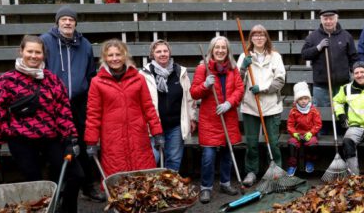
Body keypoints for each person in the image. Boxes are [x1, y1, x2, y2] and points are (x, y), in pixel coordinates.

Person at [0, 35, 83, 213]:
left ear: (43, 54)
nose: (34, 55)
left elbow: (64, 111)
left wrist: (69, 138)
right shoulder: (6, 81)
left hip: (51, 137)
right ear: (21, 51)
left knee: (76, 174)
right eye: (29, 51)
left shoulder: (52, 80)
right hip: (22, 140)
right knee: (34, 183)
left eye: (38, 52)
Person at [40, 6, 104, 202]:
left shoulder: (84, 44)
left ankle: (88, 186)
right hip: (52, 103)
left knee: (84, 144)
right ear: (57, 22)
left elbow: (90, 73)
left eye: (71, 20)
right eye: (64, 19)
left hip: (78, 101)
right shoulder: (45, 41)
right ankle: (54, 190)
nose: (67, 22)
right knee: (55, 146)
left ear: (76, 23)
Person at [84, 39, 164, 178]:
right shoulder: (97, 82)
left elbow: (148, 108)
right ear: (104, 58)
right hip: (112, 139)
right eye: (110, 55)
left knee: (143, 178)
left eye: (118, 54)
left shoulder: (138, 78)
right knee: (118, 180)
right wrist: (91, 142)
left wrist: (157, 133)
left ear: (125, 55)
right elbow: (93, 114)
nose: (115, 58)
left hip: (138, 136)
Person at [190, 36, 244, 204]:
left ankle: (225, 183)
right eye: (217, 48)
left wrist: (229, 103)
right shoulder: (202, 68)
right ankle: (206, 187)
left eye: (223, 48)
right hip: (210, 119)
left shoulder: (233, 69)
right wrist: (205, 84)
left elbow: (239, 89)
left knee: (228, 154)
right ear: (211, 50)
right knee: (208, 156)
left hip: (228, 116)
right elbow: (194, 93)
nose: (220, 50)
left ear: (228, 51)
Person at [239, 24, 286, 187]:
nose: (259, 38)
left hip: (271, 106)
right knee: (251, 143)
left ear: (266, 38)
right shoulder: (244, 56)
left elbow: (280, 80)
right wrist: (243, 68)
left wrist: (264, 89)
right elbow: (238, 82)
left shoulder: (275, 56)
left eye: (262, 35)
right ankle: (251, 172)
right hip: (250, 106)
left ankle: (276, 171)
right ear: (251, 38)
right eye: (255, 35)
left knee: (273, 142)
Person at [141, 39, 198, 172]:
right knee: (151, 159)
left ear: (169, 53)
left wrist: (192, 117)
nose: (162, 54)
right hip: (152, 126)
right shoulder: (144, 74)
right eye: (158, 51)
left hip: (175, 126)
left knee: (173, 160)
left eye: (165, 51)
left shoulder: (180, 72)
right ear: (152, 54)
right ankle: (152, 191)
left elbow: (189, 98)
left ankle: (169, 190)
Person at [301, 8, 358, 108]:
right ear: (321, 20)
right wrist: (318, 47)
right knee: (322, 116)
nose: (328, 22)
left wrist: (355, 73)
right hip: (321, 86)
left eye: (331, 19)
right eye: (325, 19)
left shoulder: (346, 36)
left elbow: (353, 57)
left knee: (343, 114)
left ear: (336, 19)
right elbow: (305, 54)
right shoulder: (313, 36)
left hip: (342, 85)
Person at [286, 81, 322, 176]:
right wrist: (294, 133)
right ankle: (292, 165)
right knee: (292, 144)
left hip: (310, 133)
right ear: (296, 101)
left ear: (309, 99)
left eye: (306, 98)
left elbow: (318, 124)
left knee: (312, 144)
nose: (303, 101)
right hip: (297, 133)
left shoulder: (313, 110)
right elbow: (290, 125)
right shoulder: (293, 111)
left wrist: (311, 132)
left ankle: (310, 160)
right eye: (300, 99)